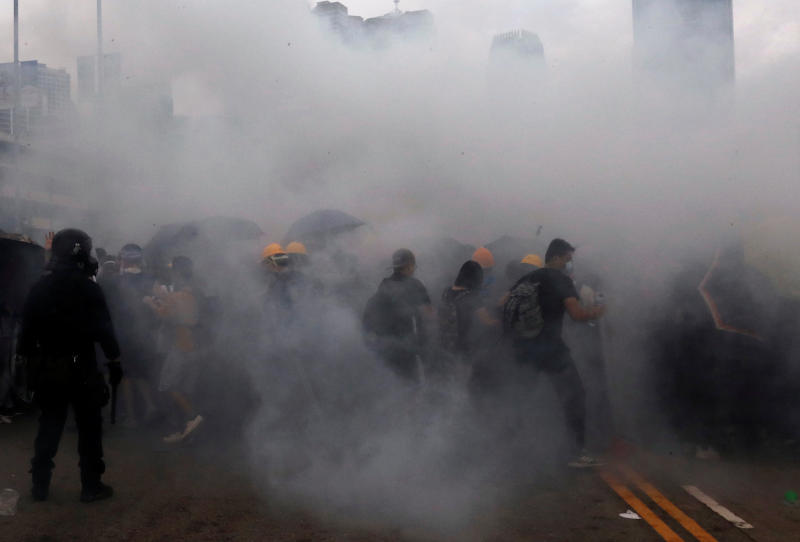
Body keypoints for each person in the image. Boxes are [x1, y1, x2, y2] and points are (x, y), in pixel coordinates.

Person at [17, 228, 122, 502]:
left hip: (49, 367)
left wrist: (27, 363)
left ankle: (40, 487)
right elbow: (105, 330)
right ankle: (91, 486)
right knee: (89, 429)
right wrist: (114, 359)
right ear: (82, 252)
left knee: (49, 426)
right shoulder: (89, 288)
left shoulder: (40, 287)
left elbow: (26, 330)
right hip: (83, 368)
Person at [503, 238, 605, 468]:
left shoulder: (528, 278)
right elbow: (577, 315)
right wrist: (598, 311)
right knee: (575, 395)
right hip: (551, 350)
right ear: (557, 257)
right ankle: (577, 453)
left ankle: (506, 448)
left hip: (524, 348)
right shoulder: (561, 280)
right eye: (569, 259)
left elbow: (502, 304)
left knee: (518, 396)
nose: (571, 264)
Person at [145, 256, 203, 444]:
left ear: (177, 272)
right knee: (186, 388)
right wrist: (164, 297)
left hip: (181, 347)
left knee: (168, 386)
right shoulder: (194, 291)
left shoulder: (177, 295)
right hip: (196, 347)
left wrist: (151, 303)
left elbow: (165, 315)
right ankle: (187, 431)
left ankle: (192, 417)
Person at [103, 244, 159, 427]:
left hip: (124, 333)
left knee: (126, 374)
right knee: (140, 372)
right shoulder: (150, 280)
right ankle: (150, 406)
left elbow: (108, 307)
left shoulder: (116, 281)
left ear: (124, 259)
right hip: (144, 333)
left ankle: (132, 417)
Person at [363, 249, 432, 382]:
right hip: (409, 350)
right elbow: (428, 315)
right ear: (409, 266)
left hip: (387, 349)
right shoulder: (415, 286)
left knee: (394, 387)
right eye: (413, 266)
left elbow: (369, 317)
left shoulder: (384, 285)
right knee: (412, 387)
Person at [438, 260, 498, 363]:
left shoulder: (446, 291)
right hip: (461, 346)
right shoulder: (472, 297)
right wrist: (499, 321)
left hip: (445, 342)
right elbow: (487, 321)